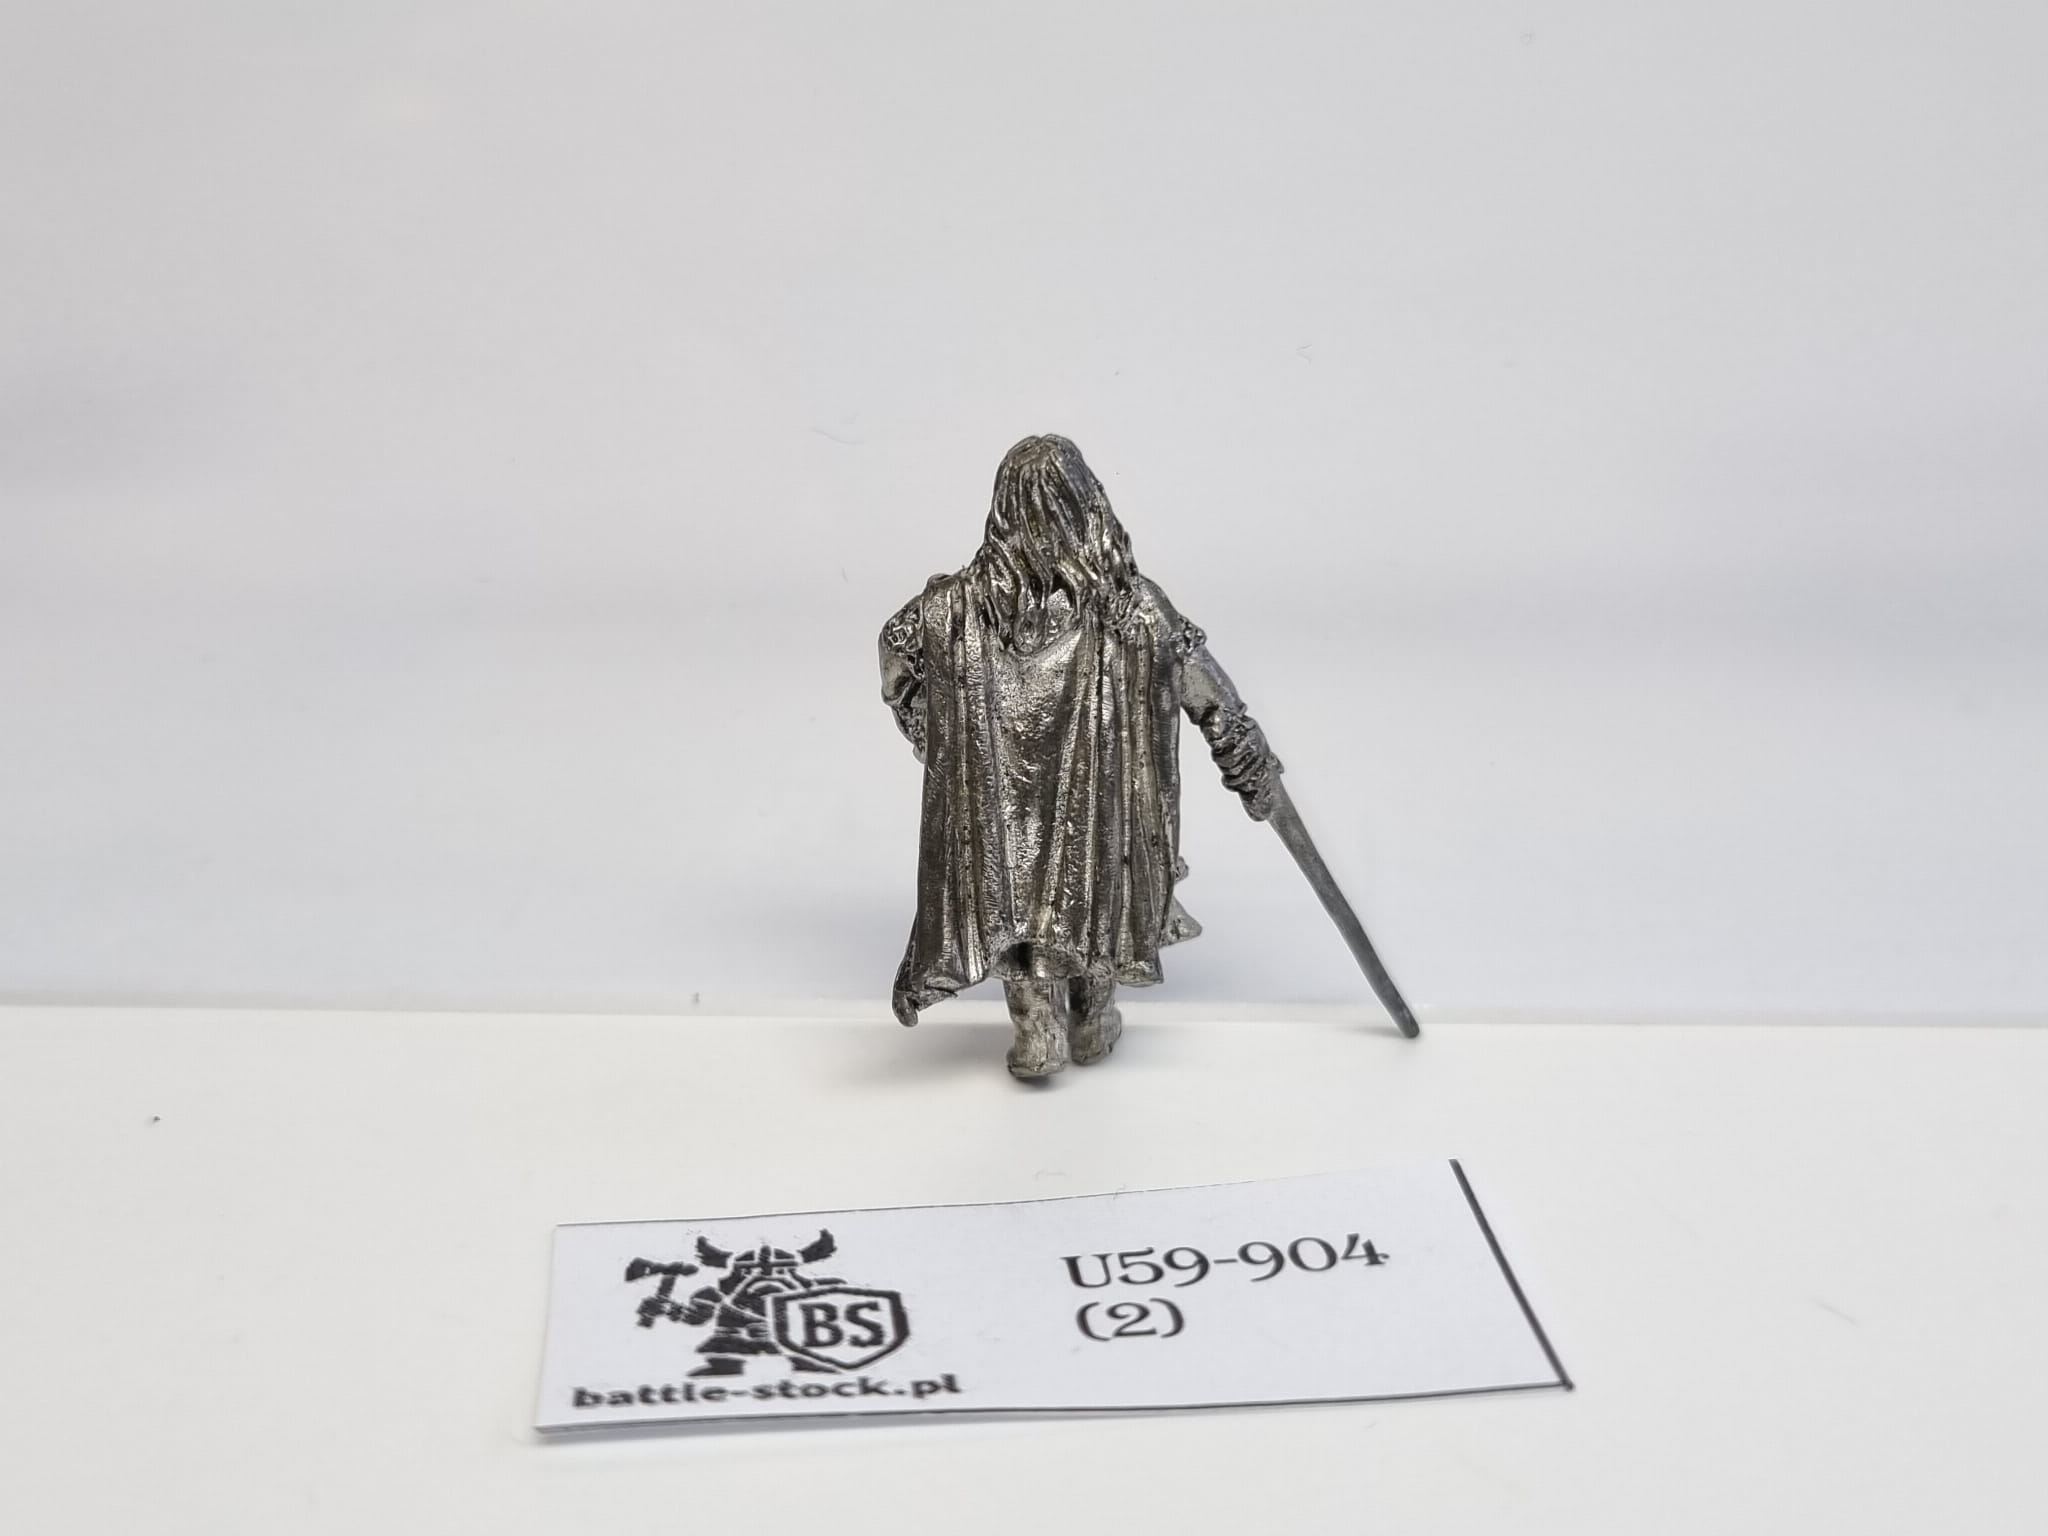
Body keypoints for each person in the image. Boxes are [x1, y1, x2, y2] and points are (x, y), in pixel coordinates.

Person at [879, 435, 1282, 1079]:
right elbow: (1204, 685)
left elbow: (897, 654)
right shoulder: (1135, 609)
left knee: (1018, 897)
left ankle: (1041, 1030)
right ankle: (1090, 1019)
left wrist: (935, 737)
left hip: (1007, 811)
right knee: (1097, 884)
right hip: (1093, 811)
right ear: (1089, 504)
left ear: (1002, 513)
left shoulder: (953, 610)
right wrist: (1247, 759)